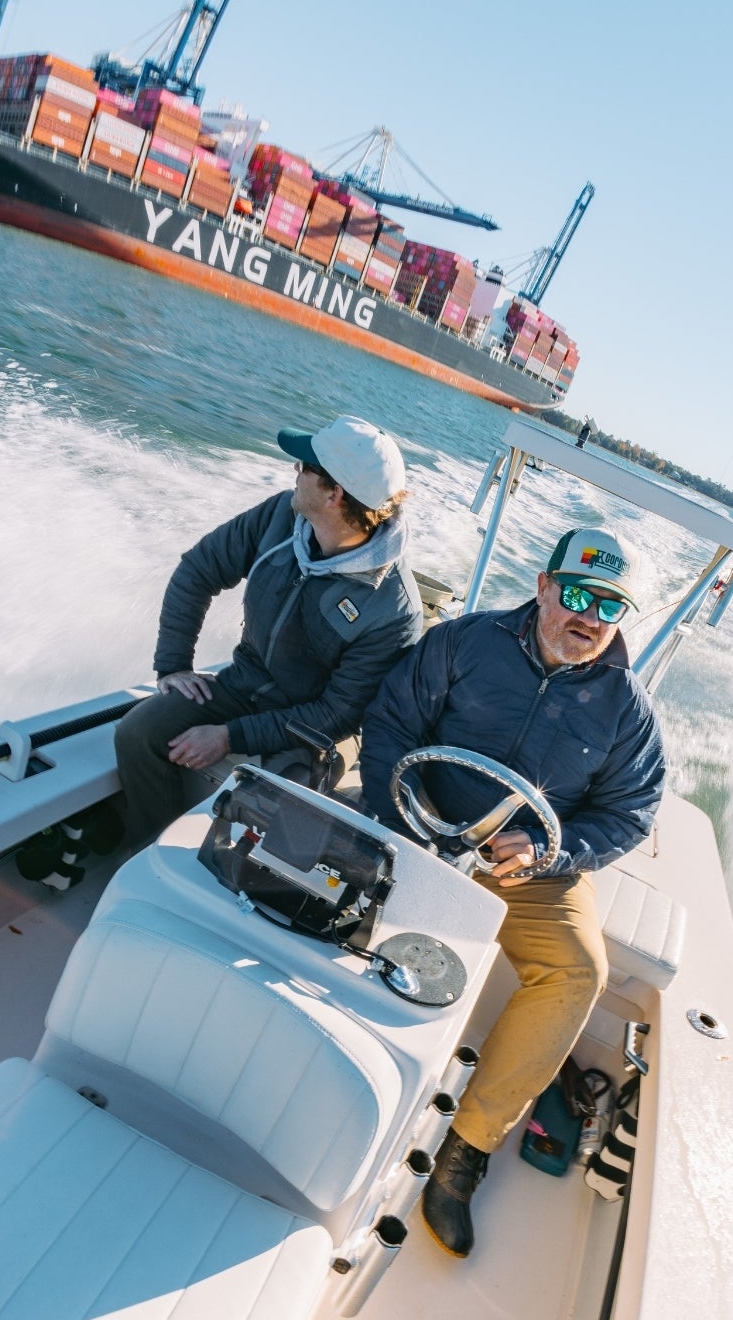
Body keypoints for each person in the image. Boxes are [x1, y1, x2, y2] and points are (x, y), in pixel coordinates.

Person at [359, 526, 666, 1257]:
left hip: (532, 872)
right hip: (417, 819)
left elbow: (628, 814)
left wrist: (552, 855)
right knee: (346, 894)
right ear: (543, 586)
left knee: (577, 972)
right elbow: (391, 722)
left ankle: (465, 1150)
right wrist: (390, 821)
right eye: (578, 594)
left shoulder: (630, 714)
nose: (587, 617)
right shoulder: (464, 643)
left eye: (610, 607)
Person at [116, 415, 422, 843]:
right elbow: (198, 570)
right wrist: (173, 665)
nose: (294, 472)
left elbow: (337, 715)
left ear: (335, 494)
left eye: (305, 467)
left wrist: (229, 736)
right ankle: (151, 853)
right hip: (244, 686)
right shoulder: (280, 515)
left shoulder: (393, 609)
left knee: (279, 808)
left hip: (316, 734)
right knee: (137, 734)